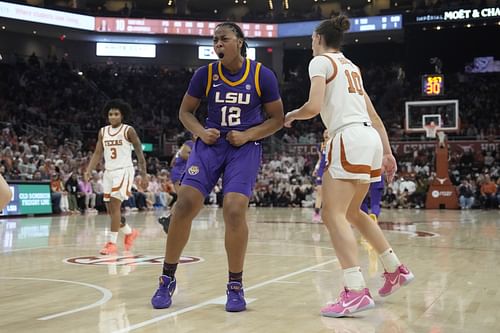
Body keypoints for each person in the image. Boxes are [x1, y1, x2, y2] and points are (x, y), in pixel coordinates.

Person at [284, 15, 414, 317]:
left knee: (331, 213)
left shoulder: (320, 62)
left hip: (348, 138)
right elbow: (376, 116)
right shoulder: (351, 67)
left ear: (318, 39)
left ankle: (355, 291)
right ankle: (395, 269)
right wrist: (388, 153)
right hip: (369, 138)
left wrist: (291, 115)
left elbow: (314, 107)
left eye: (312, 40)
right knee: (353, 212)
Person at [151, 22, 284, 312]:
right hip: (210, 145)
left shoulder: (262, 75)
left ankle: (235, 285)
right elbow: (185, 112)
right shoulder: (205, 74)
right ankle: (166, 278)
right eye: (215, 40)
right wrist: (200, 131)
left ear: (239, 41)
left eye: (223, 39)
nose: (218, 44)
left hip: (244, 147)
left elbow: (277, 119)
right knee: (185, 203)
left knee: (234, 209)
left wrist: (248, 135)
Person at [85, 99, 148, 255]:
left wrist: (144, 174)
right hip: (109, 172)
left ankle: (112, 243)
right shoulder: (103, 131)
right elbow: (98, 153)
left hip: (124, 171)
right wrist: (89, 170)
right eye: (110, 114)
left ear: (122, 115)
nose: (113, 117)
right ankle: (129, 232)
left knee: (115, 206)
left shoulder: (128, 130)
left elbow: (140, 153)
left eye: (116, 114)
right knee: (110, 211)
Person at [158, 133, 196, 234]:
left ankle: (169, 220)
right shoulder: (189, 143)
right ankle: (169, 220)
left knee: (183, 199)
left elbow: (172, 162)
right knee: (183, 199)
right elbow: (184, 154)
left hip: (179, 172)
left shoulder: (186, 146)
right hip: (180, 173)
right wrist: (197, 159)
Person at [312, 129, 329, 222]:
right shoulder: (320, 145)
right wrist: (316, 168)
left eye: (328, 132)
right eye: (325, 132)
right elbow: (320, 159)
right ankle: (316, 213)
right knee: (319, 192)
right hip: (321, 170)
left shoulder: (334, 144)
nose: (326, 134)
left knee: (330, 194)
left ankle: (329, 213)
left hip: (330, 170)